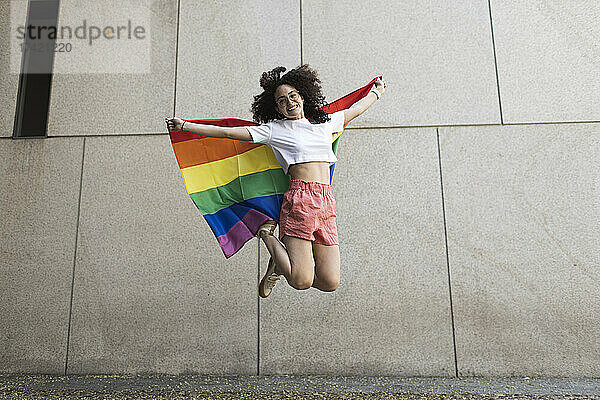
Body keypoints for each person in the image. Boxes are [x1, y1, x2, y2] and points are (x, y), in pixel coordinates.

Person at [166, 64, 386, 298]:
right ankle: (266, 234)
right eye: (282, 101)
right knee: (301, 281)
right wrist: (185, 126)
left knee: (330, 282)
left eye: (292, 96)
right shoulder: (275, 130)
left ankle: (279, 263)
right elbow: (229, 133)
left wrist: (377, 92)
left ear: (302, 95)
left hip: (326, 201)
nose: (289, 102)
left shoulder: (326, 122)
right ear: (277, 108)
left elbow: (356, 110)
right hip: (300, 200)